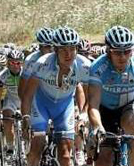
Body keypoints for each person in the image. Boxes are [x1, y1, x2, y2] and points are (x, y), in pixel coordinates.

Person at [87, 26, 134, 166]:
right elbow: (93, 105)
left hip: (129, 106)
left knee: (132, 123)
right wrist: (98, 126)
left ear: (132, 50)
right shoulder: (98, 67)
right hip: (104, 110)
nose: (122, 57)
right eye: (117, 52)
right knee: (103, 159)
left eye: (127, 51)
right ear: (109, 51)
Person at [20, 26, 92, 166]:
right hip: (41, 105)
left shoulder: (84, 66)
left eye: (72, 49)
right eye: (63, 50)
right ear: (55, 50)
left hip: (64, 108)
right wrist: (26, 117)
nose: (68, 54)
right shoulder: (42, 63)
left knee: (65, 155)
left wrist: (83, 114)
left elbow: (91, 95)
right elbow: (28, 95)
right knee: (36, 147)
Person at [0, 49, 25, 159]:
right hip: (11, 100)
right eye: (12, 62)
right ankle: (10, 146)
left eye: (18, 62)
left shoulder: (26, 73)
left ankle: (25, 143)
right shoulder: (2, 75)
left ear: (22, 63)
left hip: (24, 99)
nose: (15, 65)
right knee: (7, 119)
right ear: (8, 63)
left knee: (27, 122)